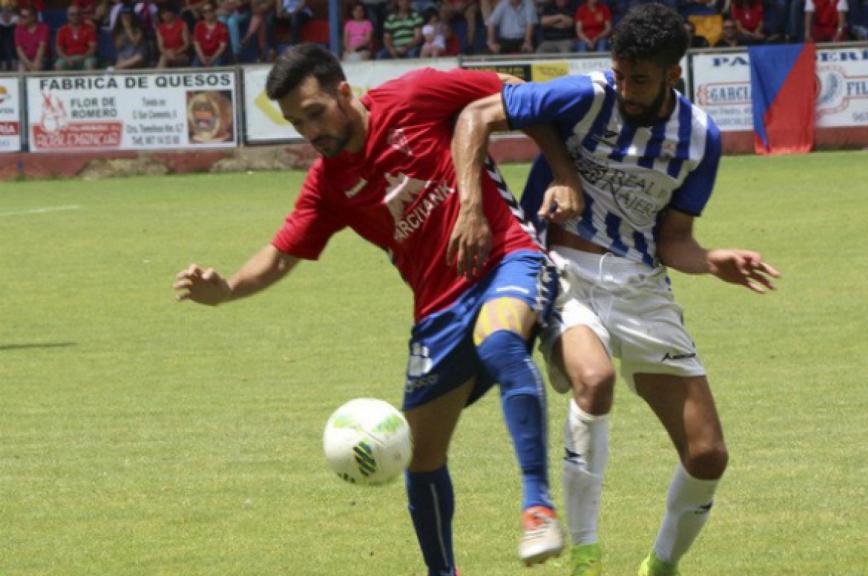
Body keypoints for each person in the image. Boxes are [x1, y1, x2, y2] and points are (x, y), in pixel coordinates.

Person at [172, 44, 582, 575]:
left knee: (500, 338)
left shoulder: (416, 95)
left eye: (315, 113)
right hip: (437, 311)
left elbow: (522, 98)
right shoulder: (329, 184)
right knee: (421, 454)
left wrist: (562, 172)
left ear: (346, 91)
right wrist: (226, 289)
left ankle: (537, 506)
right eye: (297, 124)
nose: (310, 133)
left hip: (508, 257)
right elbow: (279, 257)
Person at [455, 5, 781, 575]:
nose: (627, 89)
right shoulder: (586, 95)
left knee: (708, 455)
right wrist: (474, 208)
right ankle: (585, 553)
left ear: (673, 76)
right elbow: (477, 114)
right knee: (595, 380)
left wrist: (710, 260)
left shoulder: (700, 138)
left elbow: (675, 240)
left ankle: (661, 564)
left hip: (641, 287)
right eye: (622, 73)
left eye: (642, 80)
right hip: (564, 269)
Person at [54, 5, 98, 70]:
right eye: (72, 14)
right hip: (68, 57)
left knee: (90, 64)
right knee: (58, 65)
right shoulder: (62, 30)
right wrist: (67, 59)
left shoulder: (89, 29)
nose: (75, 16)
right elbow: (59, 49)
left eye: (78, 14)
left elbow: (93, 48)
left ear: (81, 16)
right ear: (67, 16)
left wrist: (83, 58)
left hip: (86, 56)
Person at [193, 1, 228, 65]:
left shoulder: (222, 26)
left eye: (210, 10)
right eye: (205, 12)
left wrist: (212, 59)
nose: (208, 13)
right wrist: (202, 58)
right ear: (202, 14)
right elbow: (197, 45)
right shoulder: (199, 26)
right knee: (193, 70)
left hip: (216, 56)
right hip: (202, 56)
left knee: (217, 67)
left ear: (214, 11)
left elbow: (222, 47)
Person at [14, 5, 48, 71]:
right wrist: (28, 64)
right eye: (20, 16)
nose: (21, 18)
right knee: (21, 69)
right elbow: (19, 49)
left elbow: (41, 47)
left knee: (37, 67)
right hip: (25, 59)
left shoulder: (43, 28)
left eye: (24, 17)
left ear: (33, 18)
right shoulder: (18, 29)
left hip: (42, 58)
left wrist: (36, 62)